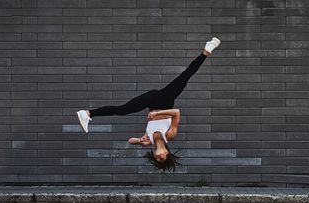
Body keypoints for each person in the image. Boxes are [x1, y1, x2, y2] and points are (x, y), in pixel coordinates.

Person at [76, 37, 221, 173]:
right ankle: (207, 50)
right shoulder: (169, 136)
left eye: (157, 159)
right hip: (166, 100)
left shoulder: (147, 142)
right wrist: (157, 114)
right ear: (167, 152)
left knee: (123, 110)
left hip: (151, 101)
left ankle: (87, 113)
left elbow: (130, 141)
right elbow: (176, 112)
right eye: (163, 158)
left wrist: (139, 140)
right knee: (185, 76)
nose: (158, 157)